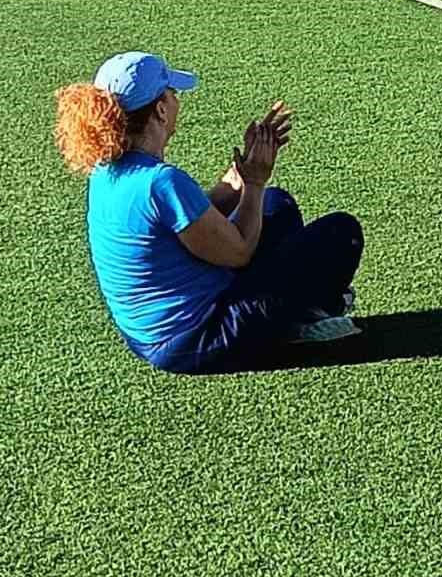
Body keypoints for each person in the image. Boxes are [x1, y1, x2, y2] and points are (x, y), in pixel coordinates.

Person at [53, 51, 365, 373]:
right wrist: (255, 182)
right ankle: (303, 318)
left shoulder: (106, 170)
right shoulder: (160, 182)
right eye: (171, 94)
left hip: (150, 335)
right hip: (199, 338)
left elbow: (190, 221)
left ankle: (293, 313)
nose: (176, 100)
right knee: (341, 233)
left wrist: (240, 173)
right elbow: (240, 251)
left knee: (278, 205)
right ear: (160, 110)